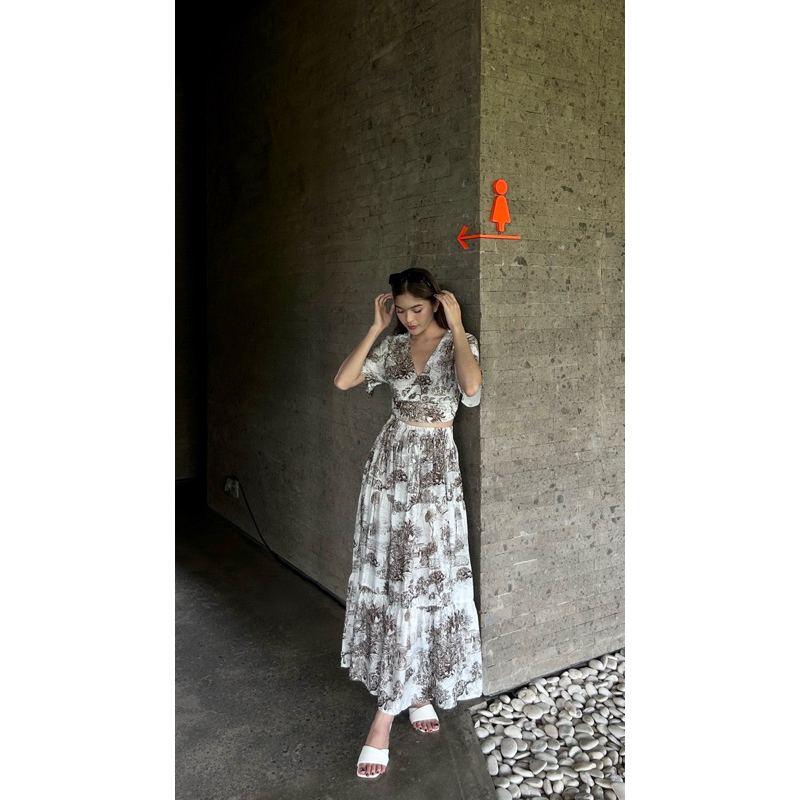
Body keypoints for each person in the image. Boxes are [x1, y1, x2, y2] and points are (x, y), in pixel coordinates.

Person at [333, 267, 485, 779]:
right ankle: (391, 710)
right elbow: (344, 379)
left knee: (427, 581)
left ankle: (414, 693)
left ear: (436, 303)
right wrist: (376, 328)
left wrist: (457, 326)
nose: (409, 318)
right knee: (393, 578)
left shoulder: (459, 343)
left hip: (435, 473)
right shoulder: (394, 346)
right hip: (390, 471)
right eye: (401, 310)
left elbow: (471, 389)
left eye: (416, 309)